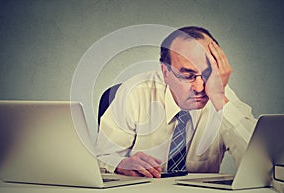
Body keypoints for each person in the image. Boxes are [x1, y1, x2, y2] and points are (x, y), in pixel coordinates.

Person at [95, 26, 256, 178]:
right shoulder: (135, 92)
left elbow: (260, 163)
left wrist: (221, 99)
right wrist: (122, 164)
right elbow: (101, 157)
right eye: (188, 75)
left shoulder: (219, 94)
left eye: (208, 73)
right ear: (166, 73)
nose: (200, 87)